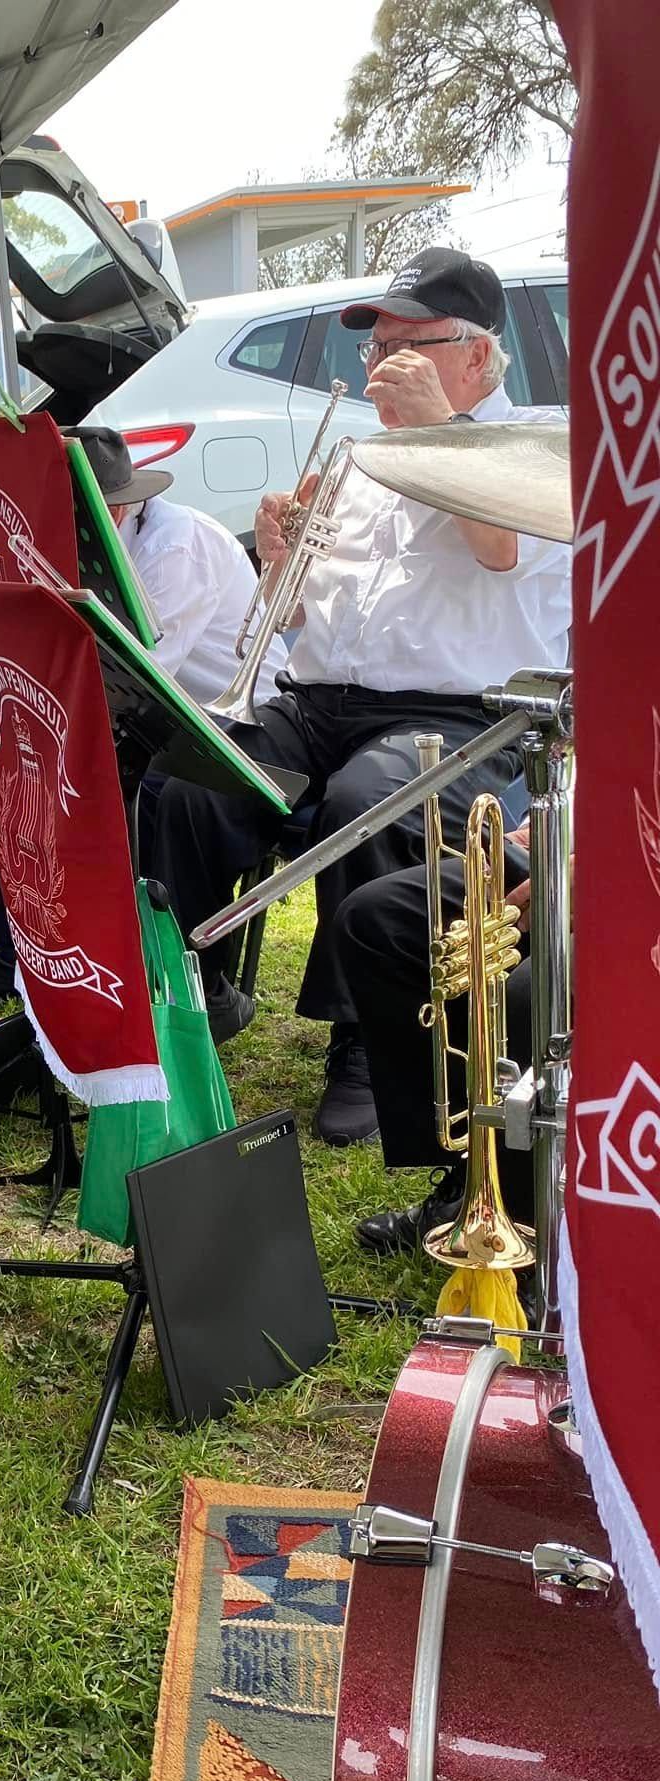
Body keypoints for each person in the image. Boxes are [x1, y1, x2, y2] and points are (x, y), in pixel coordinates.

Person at [147, 247, 571, 1145]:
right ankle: (189, 997)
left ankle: (367, 1048)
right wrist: (279, 562)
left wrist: (439, 430)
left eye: (408, 347)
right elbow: (302, 615)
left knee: (368, 803)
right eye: (376, 349)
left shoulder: (536, 447)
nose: (382, 367)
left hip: (460, 714)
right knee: (189, 781)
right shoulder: (359, 454)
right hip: (319, 700)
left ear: (476, 355)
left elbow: (503, 552)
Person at [0, 425, 281, 1015]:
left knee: (105, 778)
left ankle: (170, 975)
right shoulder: (90, 536)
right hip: (148, 714)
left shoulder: (178, 547)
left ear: (110, 510)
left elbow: (139, 671)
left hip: (225, 720)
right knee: (15, 760)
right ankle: (18, 951)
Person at [333, 813, 533, 1254]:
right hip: (567, 854)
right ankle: (468, 1174)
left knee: (524, 994)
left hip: (633, 889)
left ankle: (522, 1204)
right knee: (377, 919)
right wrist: (546, 830)